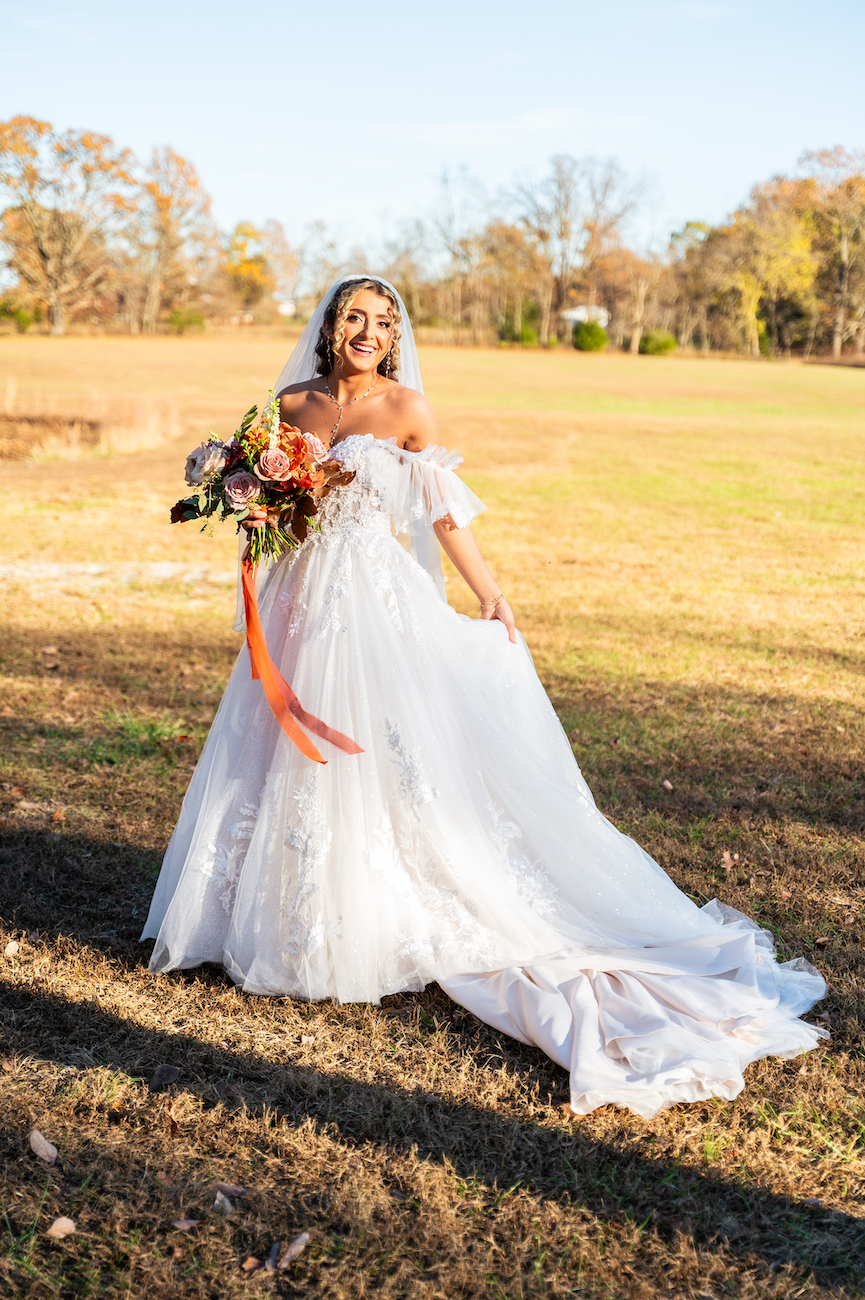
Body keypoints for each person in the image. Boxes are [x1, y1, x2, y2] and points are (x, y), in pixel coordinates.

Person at [142, 275, 826, 1120]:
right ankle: (260, 910)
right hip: (298, 597)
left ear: (394, 336)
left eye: (383, 322)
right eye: (354, 317)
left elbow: (442, 515)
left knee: (380, 747)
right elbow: (268, 500)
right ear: (329, 325)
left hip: (372, 602)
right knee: (272, 743)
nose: (368, 331)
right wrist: (243, 494)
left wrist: (489, 594)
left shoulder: (407, 409)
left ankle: (368, 907)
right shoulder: (289, 403)